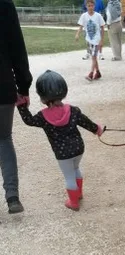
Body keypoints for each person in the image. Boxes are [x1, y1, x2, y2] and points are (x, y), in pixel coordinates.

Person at [16, 70, 105, 211]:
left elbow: (29, 120)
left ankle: (73, 202)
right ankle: (79, 193)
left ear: (42, 97)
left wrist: (21, 106)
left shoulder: (42, 116)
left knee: (69, 176)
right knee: (76, 169)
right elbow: (87, 123)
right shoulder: (73, 110)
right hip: (79, 149)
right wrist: (97, 129)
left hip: (63, 154)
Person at [0, 0, 33, 214]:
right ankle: (12, 196)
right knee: (3, 138)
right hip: (2, 84)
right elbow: (17, 48)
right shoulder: (5, 4)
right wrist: (23, 85)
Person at [76, 0, 106, 81]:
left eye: (92, 6)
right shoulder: (84, 16)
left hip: (96, 40)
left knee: (93, 56)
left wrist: (101, 40)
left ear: (94, 6)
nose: (90, 7)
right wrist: (77, 34)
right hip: (89, 39)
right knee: (94, 57)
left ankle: (91, 73)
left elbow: (103, 28)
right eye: (88, 6)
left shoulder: (98, 16)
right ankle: (98, 72)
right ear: (86, 6)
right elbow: (81, 26)